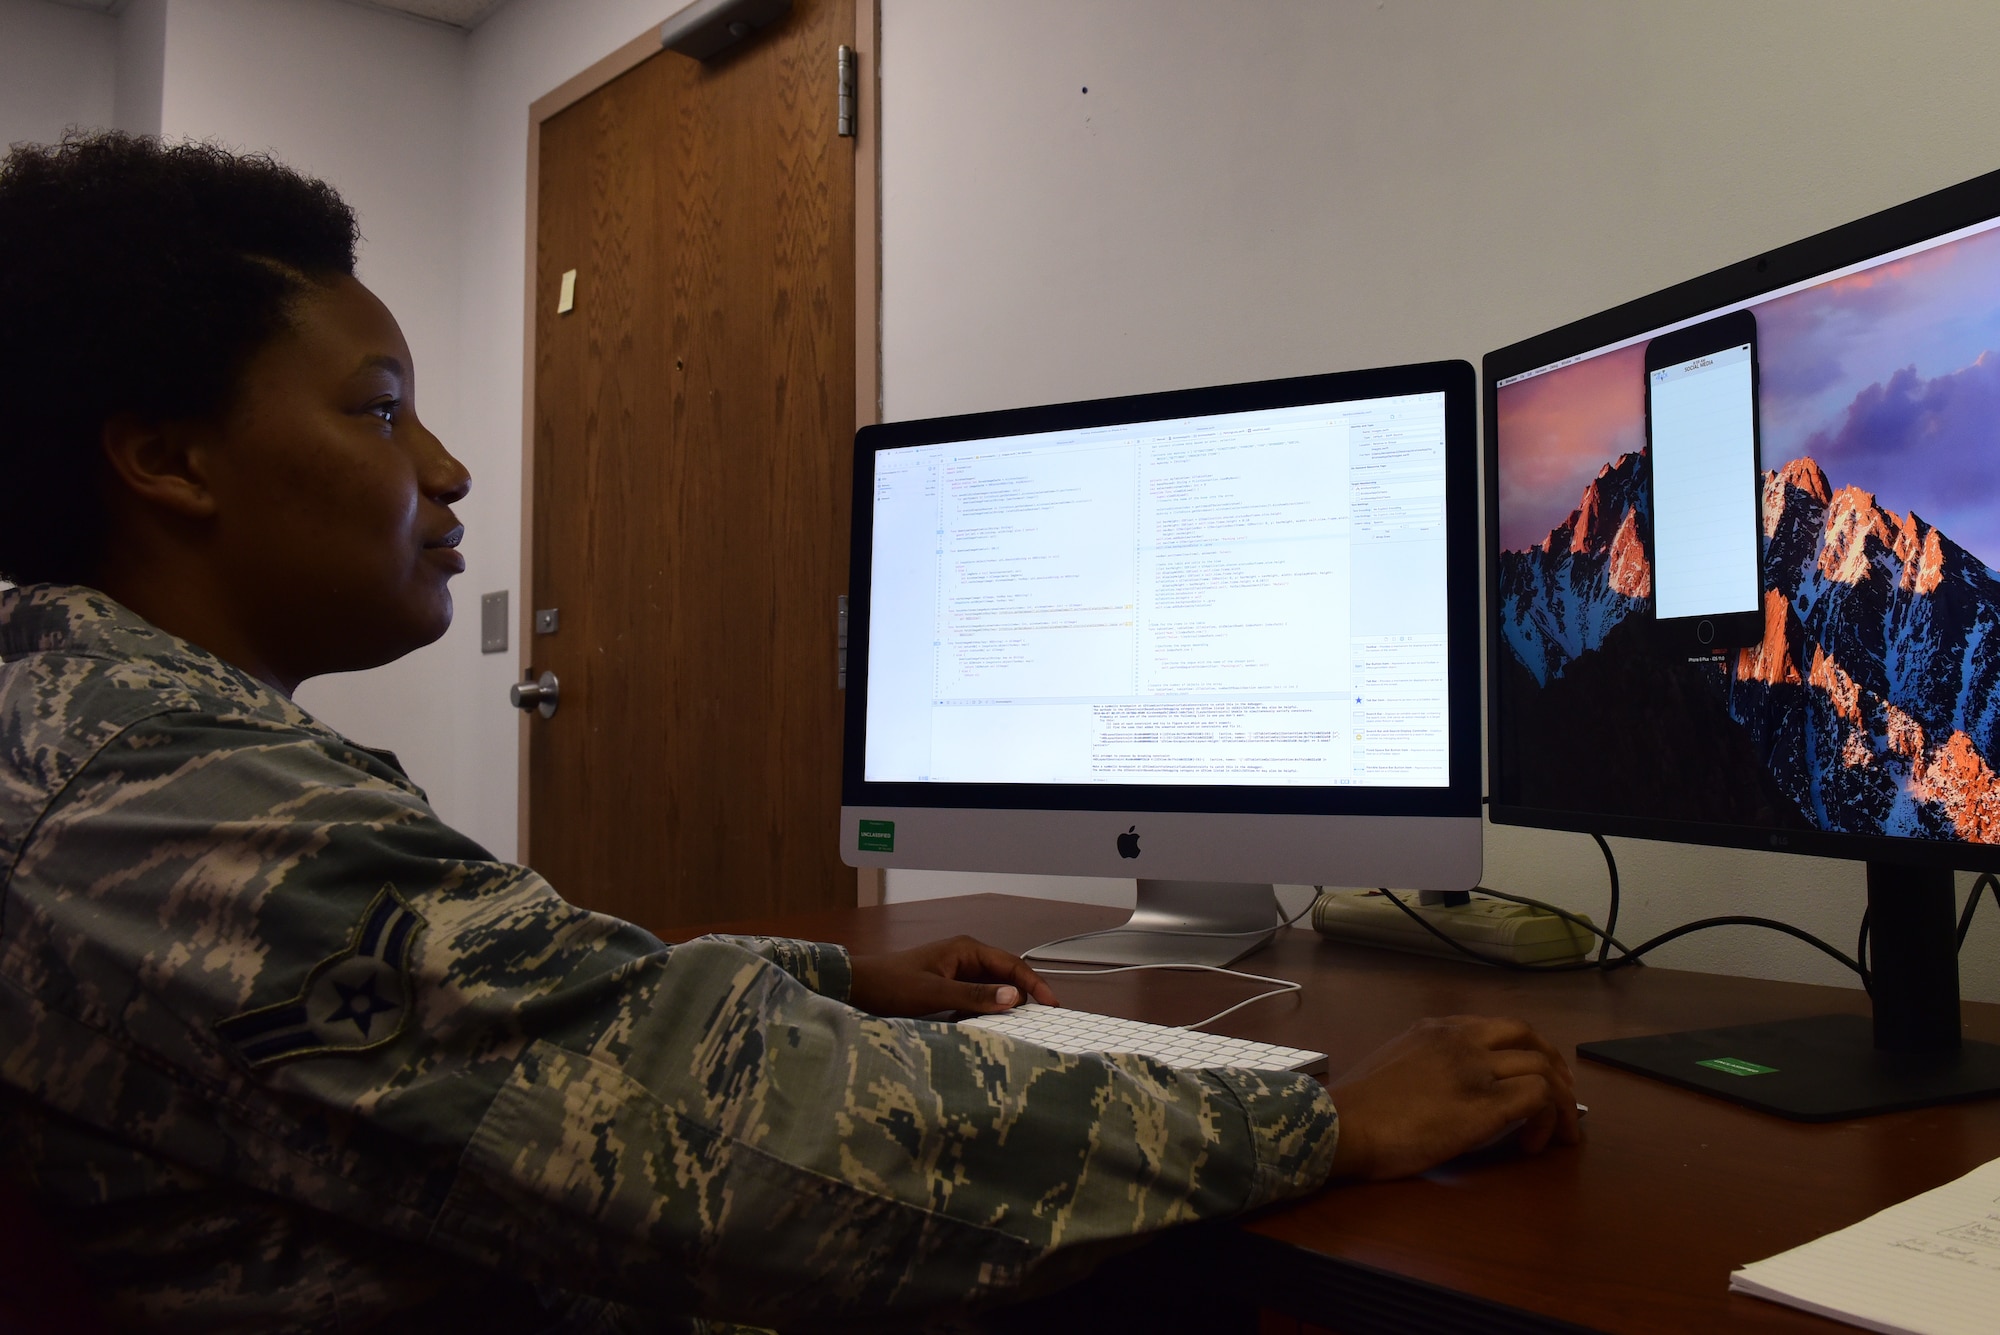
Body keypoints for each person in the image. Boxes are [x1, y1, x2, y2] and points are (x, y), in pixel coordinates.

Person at [0, 133, 1580, 1334]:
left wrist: (822, 973)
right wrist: (1332, 1115)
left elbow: (501, 1010)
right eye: (377, 408)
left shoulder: (87, 723)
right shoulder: (181, 797)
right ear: (168, 461)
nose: (451, 466)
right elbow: (748, 1142)